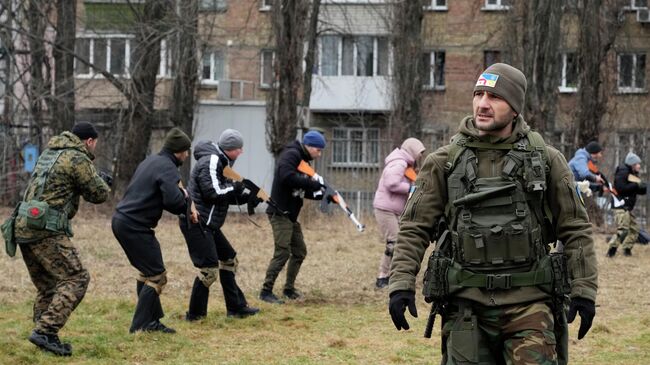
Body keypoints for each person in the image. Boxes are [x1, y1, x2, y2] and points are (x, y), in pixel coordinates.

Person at [388, 63, 598, 364]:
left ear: (514, 108)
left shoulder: (547, 160)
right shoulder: (444, 163)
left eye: (494, 97)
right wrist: (401, 284)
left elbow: (575, 227)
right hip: (466, 307)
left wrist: (584, 289)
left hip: (530, 305)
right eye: (478, 94)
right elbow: (414, 227)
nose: (483, 104)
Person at [14, 122, 110, 356]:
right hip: (46, 229)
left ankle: (43, 336)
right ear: (89, 141)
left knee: (48, 286)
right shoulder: (78, 158)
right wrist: (104, 181)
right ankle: (45, 331)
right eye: (94, 143)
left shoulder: (50, 153)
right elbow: (98, 194)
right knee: (77, 278)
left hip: (23, 225)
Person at [111, 127, 192, 334]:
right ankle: (140, 326)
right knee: (157, 276)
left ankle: (152, 321)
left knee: (148, 273)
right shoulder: (168, 167)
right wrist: (186, 198)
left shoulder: (151, 161)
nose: (187, 154)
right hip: (134, 225)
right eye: (186, 150)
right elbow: (173, 202)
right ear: (178, 151)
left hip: (123, 221)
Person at [179, 130, 262, 320]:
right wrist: (237, 186)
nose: (241, 152)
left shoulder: (221, 161)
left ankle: (236, 308)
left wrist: (248, 198)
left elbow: (222, 196)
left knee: (229, 259)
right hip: (198, 222)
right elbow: (213, 192)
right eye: (238, 149)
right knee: (208, 270)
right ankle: (195, 315)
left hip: (209, 225)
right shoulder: (212, 161)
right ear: (229, 148)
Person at [259, 131, 326, 304]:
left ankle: (288, 289)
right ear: (309, 146)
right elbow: (287, 177)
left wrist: (322, 194)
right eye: (318, 150)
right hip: (280, 213)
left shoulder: (302, 160)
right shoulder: (291, 155)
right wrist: (314, 183)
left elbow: (299, 189)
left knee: (299, 252)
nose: (319, 154)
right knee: (282, 253)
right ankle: (266, 291)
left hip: (290, 215)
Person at [372, 138, 425, 289]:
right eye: (419, 153)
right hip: (385, 209)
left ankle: (390, 276)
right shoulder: (399, 163)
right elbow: (391, 183)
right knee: (394, 242)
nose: (420, 156)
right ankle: (383, 277)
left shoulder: (404, 163)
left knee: (396, 242)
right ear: (412, 151)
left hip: (392, 209)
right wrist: (410, 188)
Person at [606, 152, 647, 257]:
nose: (639, 166)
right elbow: (621, 188)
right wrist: (636, 185)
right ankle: (611, 250)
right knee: (624, 229)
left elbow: (637, 190)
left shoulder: (632, 174)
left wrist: (642, 187)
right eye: (637, 164)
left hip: (626, 207)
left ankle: (627, 249)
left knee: (634, 229)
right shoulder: (623, 172)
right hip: (620, 206)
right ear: (632, 164)